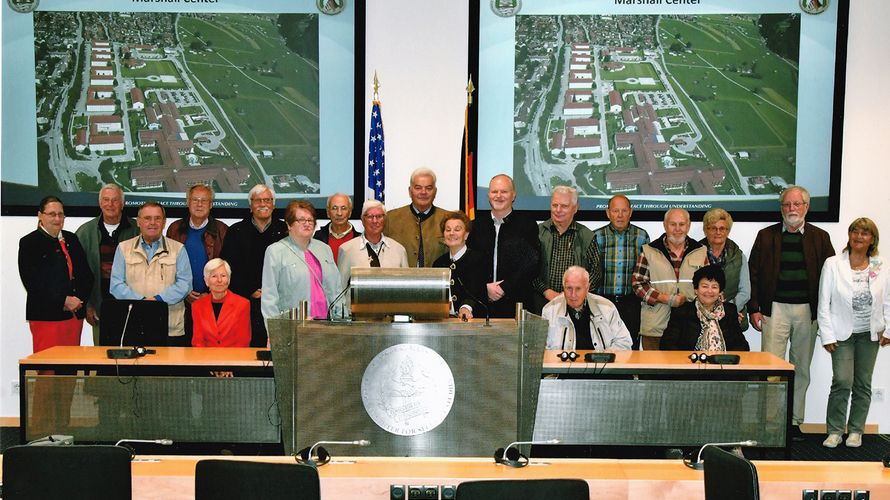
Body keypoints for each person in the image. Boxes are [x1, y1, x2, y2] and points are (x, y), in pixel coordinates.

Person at [748, 185, 834, 440]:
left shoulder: (821, 237)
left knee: (801, 368)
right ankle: (772, 423)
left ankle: (794, 421)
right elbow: (753, 274)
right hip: (774, 310)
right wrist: (754, 308)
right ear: (781, 208)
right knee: (772, 368)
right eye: (787, 204)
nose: (792, 209)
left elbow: (830, 278)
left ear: (806, 207)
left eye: (797, 204)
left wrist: (826, 314)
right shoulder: (766, 236)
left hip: (807, 312)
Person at [19, 196, 93, 435]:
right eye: (52, 214)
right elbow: (33, 282)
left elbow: (85, 274)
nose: (57, 219)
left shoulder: (71, 239)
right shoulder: (29, 242)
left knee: (68, 373)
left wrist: (78, 300)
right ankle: (41, 431)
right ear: (40, 216)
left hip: (73, 318)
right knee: (47, 375)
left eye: (60, 214)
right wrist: (63, 300)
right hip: (47, 318)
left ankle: (64, 427)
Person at [817, 218, 890, 449]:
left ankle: (856, 430)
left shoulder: (880, 265)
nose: (859, 237)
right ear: (849, 235)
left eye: (865, 233)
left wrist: (888, 329)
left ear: (872, 239)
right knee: (842, 381)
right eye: (855, 232)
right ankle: (835, 431)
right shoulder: (833, 263)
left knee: (862, 384)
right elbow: (823, 302)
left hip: (869, 333)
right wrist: (827, 335)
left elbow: (887, 300)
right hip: (841, 333)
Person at [110, 202, 192, 341]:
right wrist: (142, 302)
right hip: (133, 324)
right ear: (138, 222)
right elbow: (116, 285)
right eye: (147, 218)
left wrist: (158, 300)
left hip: (169, 327)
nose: (152, 223)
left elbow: (185, 284)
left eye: (157, 218)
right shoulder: (123, 248)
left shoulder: (178, 249)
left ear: (164, 222)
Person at [220, 184, 289, 347]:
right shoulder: (235, 231)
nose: (263, 204)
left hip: (279, 304)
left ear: (274, 204)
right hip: (245, 303)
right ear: (250, 205)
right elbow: (228, 269)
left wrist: (270, 291)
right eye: (258, 200)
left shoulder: (285, 231)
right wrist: (250, 290)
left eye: (267, 200)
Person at [632, 207, 708, 350]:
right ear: (665, 225)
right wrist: (665, 298)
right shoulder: (649, 251)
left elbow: (707, 285)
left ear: (689, 225)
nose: (677, 229)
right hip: (655, 327)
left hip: (691, 326)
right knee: (653, 371)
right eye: (673, 224)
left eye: (682, 224)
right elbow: (638, 284)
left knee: (686, 370)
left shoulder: (701, 251)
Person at [466, 174, 539, 318]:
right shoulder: (476, 226)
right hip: (482, 305)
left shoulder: (527, 224)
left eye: (504, 192)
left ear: (513, 195)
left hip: (516, 306)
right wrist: (484, 288)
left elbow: (531, 263)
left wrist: (503, 288)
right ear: (488, 195)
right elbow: (470, 266)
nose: (498, 196)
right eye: (494, 191)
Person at [75, 184, 139, 345]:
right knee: (103, 355)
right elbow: (78, 274)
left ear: (122, 204)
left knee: (133, 355)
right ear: (100, 203)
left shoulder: (137, 230)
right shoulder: (85, 232)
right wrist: (87, 305)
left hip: (132, 303)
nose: (110, 204)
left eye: (115, 200)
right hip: (99, 304)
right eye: (106, 200)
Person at [166, 184, 228, 343]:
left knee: (208, 351)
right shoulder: (174, 229)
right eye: (195, 200)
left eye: (204, 200)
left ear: (211, 204)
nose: (199, 204)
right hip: (181, 302)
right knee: (181, 352)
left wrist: (211, 293)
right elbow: (167, 268)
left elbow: (227, 268)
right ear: (187, 202)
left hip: (211, 300)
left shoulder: (223, 231)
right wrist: (184, 292)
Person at [261, 200, 340, 321]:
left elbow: (337, 289)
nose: (307, 224)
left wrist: (340, 319)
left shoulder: (324, 249)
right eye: (301, 220)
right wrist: (275, 333)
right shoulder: (275, 251)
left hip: (327, 324)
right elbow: (269, 298)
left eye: (310, 220)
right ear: (289, 224)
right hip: (294, 326)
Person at [532, 186, 603, 313]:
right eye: (554, 205)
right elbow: (528, 269)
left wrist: (573, 294)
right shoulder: (536, 233)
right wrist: (546, 291)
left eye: (564, 206)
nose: (558, 210)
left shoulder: (587, 236)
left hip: (576, 306)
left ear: (575, 208)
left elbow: (596, 274)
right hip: (541, 303)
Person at [593, 194, 650, 349]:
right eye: (615, 211)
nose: (620, 215)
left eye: (624, 211)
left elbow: (647, 274)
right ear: (607, 213)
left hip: (631, 303)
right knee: (602, 343)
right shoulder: (596, 236)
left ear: (630, 212)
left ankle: (629, 374)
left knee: (629, 344)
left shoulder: (642, 236)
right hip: (603, 302)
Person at [661, 265, 750, 352]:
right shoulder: (682, 312)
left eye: (714, 287)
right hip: (690, 363)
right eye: (705, 286)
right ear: (696, 290)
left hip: (723, 364)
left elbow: (742, 346)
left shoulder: (730, 311)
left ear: (720, 291)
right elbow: (667, 344)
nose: (709, 291)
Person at [542, 266, 632, 351]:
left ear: (587, 288)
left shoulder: (607, 308)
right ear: (563, 287)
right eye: (569, 288)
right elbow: (542, 349)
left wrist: (603, 357)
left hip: (600, 365)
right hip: (562, 366)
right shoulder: (549, 311)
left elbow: (624, 343)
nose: (573, 295)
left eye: (578, 289)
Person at [384, 167, 453, 267]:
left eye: (428, 188)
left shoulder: (448, 219)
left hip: (437, 280)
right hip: (400, 280)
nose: (423, 192)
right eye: (418, 188)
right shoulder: (391, 218)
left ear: (435, 191)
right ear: (410, 191)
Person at [337, 199, 408, 287]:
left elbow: (405, 288)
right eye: (370, 216)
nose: (375, 221)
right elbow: (340, 289)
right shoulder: (347, 250)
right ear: (362, 220)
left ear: (384, 219)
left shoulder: (399, 250)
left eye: (379, 216)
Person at [700, 208, 750, 330]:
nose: (718, 232)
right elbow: (690, 290)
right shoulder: (694, 255)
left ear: (728, 231)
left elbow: (745, 292)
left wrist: (726, 311)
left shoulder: (739, 256)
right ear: (706, 230)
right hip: (701, 319)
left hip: (732, 320)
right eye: (713, 228)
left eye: (722, 228)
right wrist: (708, 312)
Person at [433, 211, 487, 321]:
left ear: (466, 235)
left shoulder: (479, 260)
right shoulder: (438, 263)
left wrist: (465, 308)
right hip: (443, 322)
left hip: (471, 323)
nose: (452, 233)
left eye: (457, 229)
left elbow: (476, 291)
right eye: (448, 230)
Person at [191, 258, 251, 348]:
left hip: (234, 359)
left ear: (229, 279)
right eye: (214, 276)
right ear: (206, 281)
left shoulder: (243, 304)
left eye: (223, 275)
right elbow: (198, 342)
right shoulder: (197, 306)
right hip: (206, 359)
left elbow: (243, 342)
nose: (219, 280)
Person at [314, 192, 361, 264]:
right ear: (328, 212)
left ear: (350, 212)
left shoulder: (360, 240)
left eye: (343, 208)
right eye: (334, 208)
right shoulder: (317, 238)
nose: (339, 213)